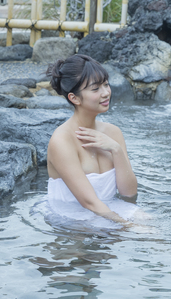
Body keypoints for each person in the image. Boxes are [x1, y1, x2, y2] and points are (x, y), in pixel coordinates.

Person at [45, 54, 139, 227]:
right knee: (146, 237)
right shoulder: (62, 141)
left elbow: (129, 194)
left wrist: (115, 149)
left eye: (106, 84)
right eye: (95, 89)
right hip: (71, 221)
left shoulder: (113, 133)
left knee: (165, 233)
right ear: (74, 98)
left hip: (108, 210)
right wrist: (129, 226)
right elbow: (88, 203)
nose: (106, 93)